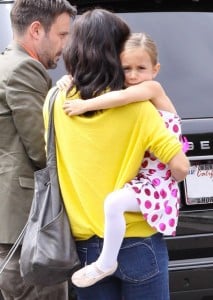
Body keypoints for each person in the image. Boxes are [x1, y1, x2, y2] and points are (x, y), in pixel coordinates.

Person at [43, 10, 190, 300]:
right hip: (139, 241)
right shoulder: (139, 106)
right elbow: (180, 166)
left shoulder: (54, 101)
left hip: (85, 247)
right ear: (116, 53)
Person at [0, 0, 76, 299]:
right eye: (62, 34)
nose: (65, 45)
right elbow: (44, 150)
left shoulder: (6, 62)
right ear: (36, 30)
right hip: (29, 230)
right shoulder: (24, 68)